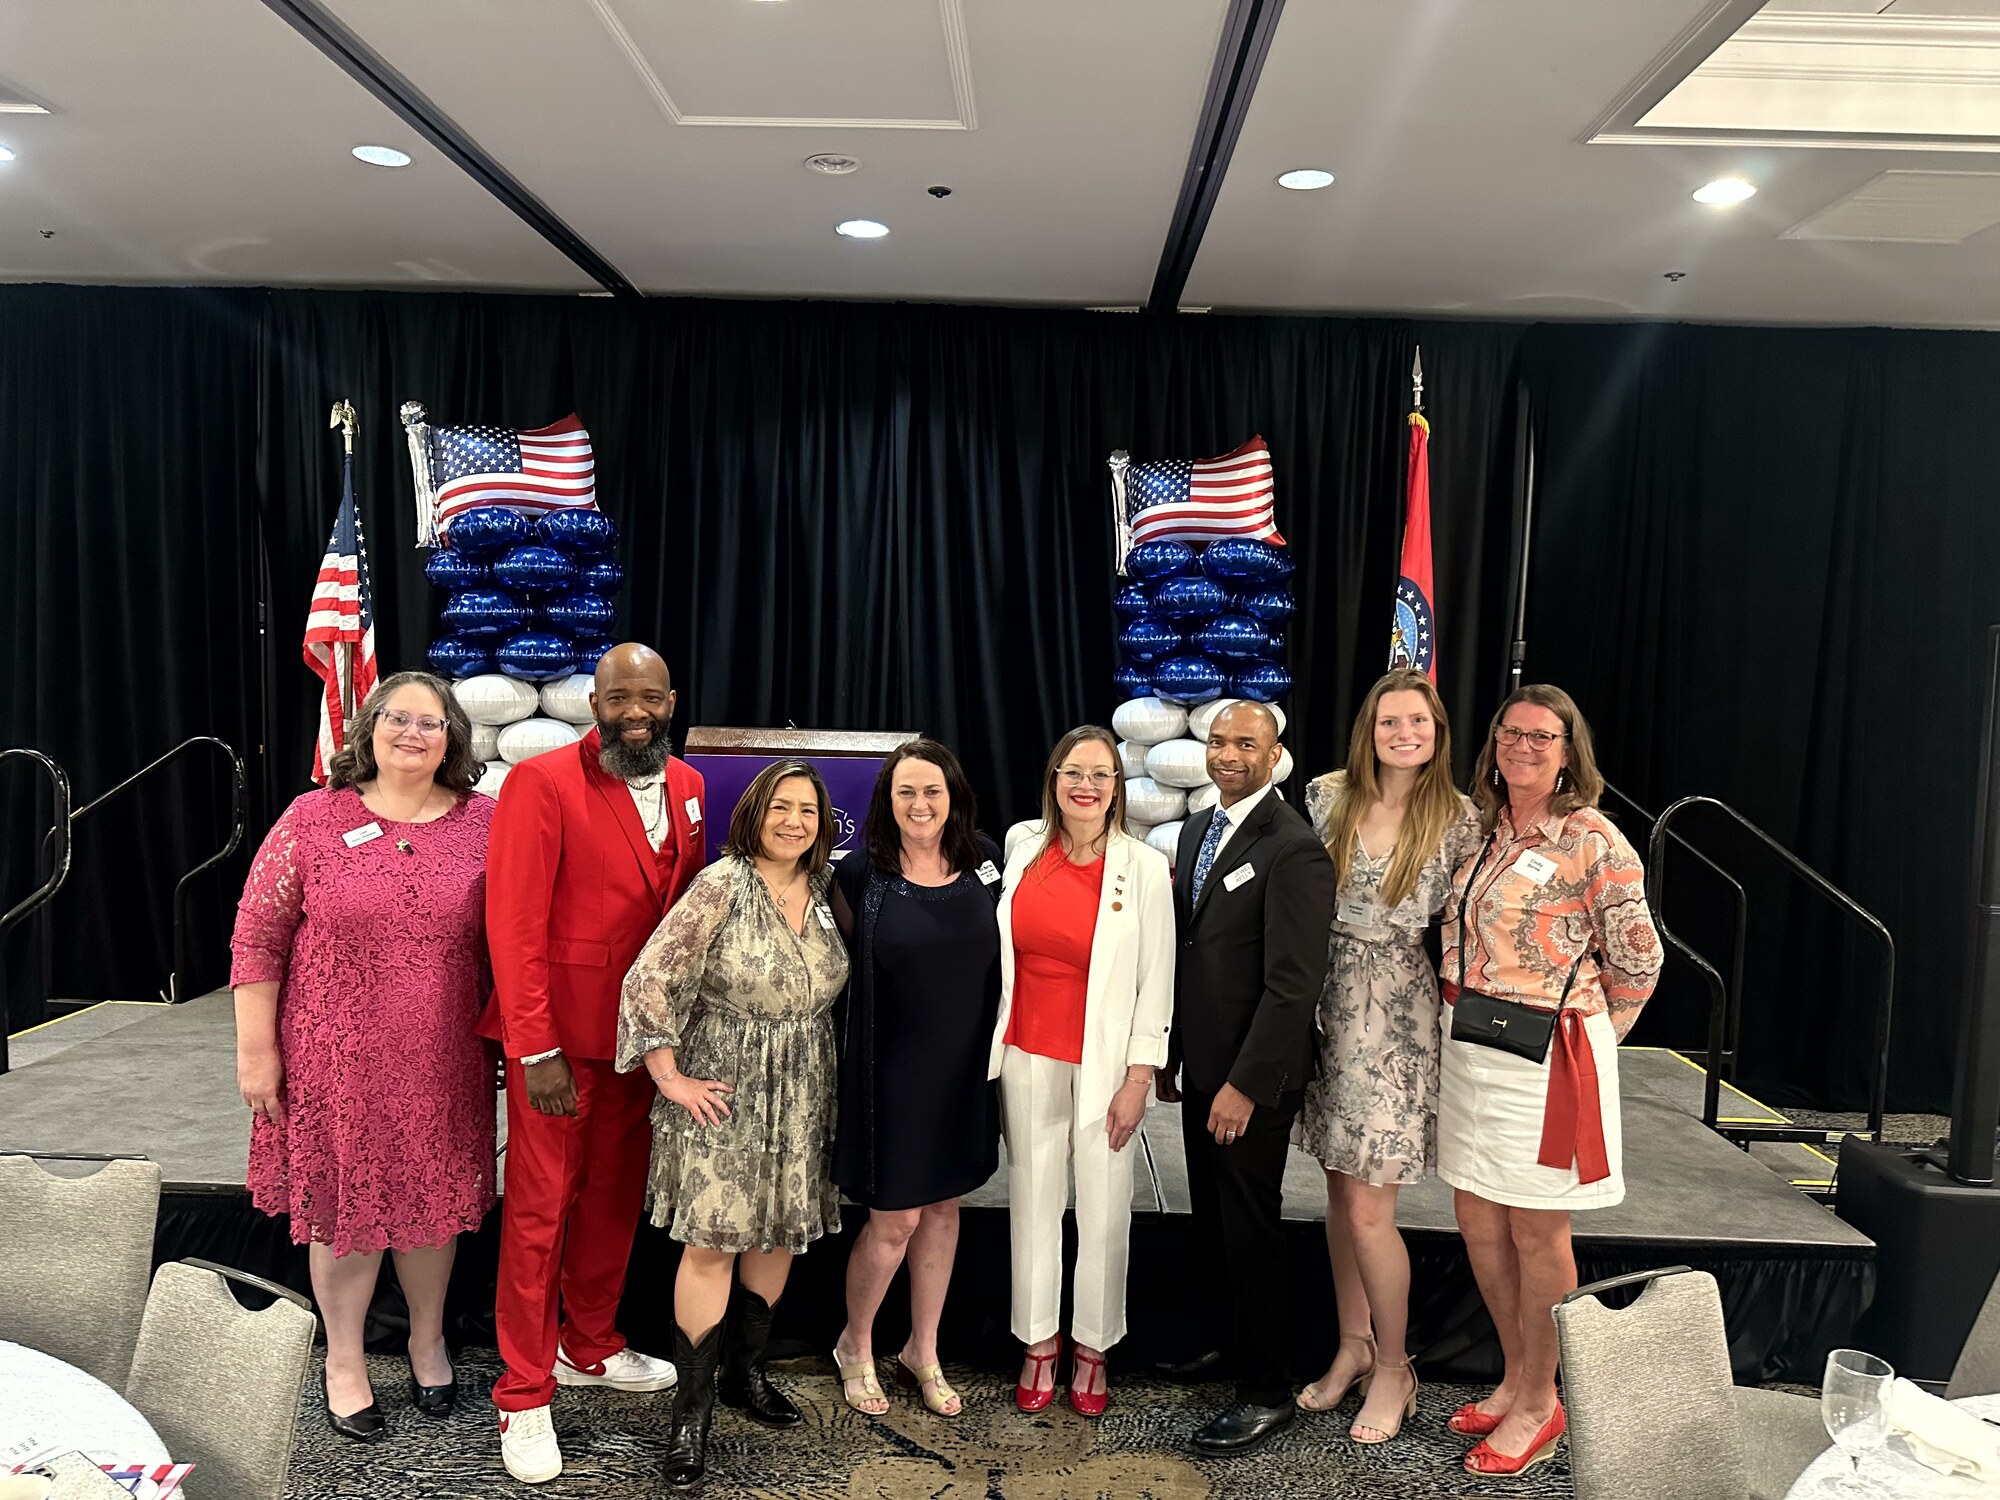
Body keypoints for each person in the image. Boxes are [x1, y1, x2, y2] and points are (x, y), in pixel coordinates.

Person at [231, 670, 494, 1441]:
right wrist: (256, 1055)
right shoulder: (312, 819)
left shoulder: (488, 822)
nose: (414, 733)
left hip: (443, 1059)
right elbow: (257, 937)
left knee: (432, 1206)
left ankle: (426, 1338)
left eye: (432, 722)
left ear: (453, 738)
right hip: (331, 1061)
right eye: (398, 718)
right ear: (368, 728)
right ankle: (342, 1360)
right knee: (343, 1211)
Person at [482, 644, 708, 1486]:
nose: (636, 712)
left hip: (641, 1047)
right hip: (561, 1049)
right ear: (594, 702)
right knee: (539, 1215)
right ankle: (524, 1392)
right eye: (620, 698)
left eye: (650, 696)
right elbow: (514, 924)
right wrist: (532, 1046)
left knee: (616, 1197)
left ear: (671, 698)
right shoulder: (540, 785)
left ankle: (590, 1344)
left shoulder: (687, 787)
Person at [1439, 684, 1662, 1477]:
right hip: (1471, 1049)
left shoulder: (1592, 839)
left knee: (1538, 1232)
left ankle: (1542, 1400)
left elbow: (1639, 958)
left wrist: (1595, 1033)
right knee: (1478, 1220)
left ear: (1570, 751)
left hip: (1548, 1057)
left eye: (1541, 737)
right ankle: (1514, 1374)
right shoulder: (1481, 831)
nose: (1522, 748)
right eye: (1510, 734)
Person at [618, 758, 850, 1489]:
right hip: (726, 1087)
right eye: (781, 807)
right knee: (714, 1240)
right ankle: (692, 1414)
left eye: (807, 811)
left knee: (778, 1231)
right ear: (754, 813)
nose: (793, 822)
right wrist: (669, 1077)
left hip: (805, 1087)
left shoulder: (826, 889)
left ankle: (744, 1375)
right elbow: (648, 976)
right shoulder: (723, 883)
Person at [1296, 670, 1480, 1443]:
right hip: (1327, 1010)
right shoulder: (1325, 797)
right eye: (1389, 722)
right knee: (1341, 1200)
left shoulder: (1461, 818)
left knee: (1372, 1211)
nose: (1404, 733)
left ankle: (1399, 1368)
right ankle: (1354, 1346)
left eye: (1419, 721)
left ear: (1437, 730)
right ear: (1367, 729)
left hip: (1398, 1021)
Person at [1159, 700, 1336, 1456]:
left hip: (1252, 1079)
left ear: (1276, 753)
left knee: (1251, 1227)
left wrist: (1242, 1084)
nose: (1229, 753)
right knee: (1211, 1221)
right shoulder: (1202, 827)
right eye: (1220, 741)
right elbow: (1192, 951)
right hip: (1202, 1065)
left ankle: (1266, 1388)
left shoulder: (1294, 847)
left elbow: (1294, 984)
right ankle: (1220, 1345)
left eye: (1247, 743)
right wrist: (1176, 1058)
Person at [988, 726, 1174, 1419]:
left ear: (1117, 787)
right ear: (1053, 778)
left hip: (1104, 1065)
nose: (1086, 786)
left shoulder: (1144, 866)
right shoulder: (1020, 845)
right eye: (1074, 772)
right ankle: (1038, 1342)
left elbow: (1158, 978)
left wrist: (1139, 1074)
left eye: (1101, 775)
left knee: (1102, 1208)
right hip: (1027, 1052)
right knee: (1033, 1200)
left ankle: (1093, 1348)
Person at [827, 740, 1003, 1419]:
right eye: (906, 792)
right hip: (891, 1075)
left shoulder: (986, 860)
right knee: (893, 1221)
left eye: (933, 791)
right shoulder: (860, 875)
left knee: (943, 1209)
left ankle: (921, 1350)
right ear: (887, 800)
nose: (921, 804)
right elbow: (835, 975)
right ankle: (856, 1343)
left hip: (964, 1070)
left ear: (953, 795)